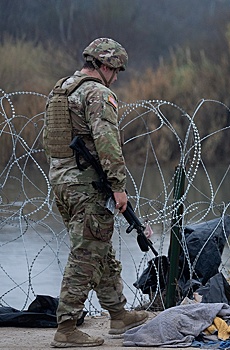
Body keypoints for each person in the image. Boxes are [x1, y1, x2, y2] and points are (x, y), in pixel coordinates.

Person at [43, 38, 148, 347]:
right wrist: (118, 187)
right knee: (87, 253)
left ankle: (118, 315)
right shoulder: (97, 93)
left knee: (98, 246)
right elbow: (107, 143)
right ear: (104, 66)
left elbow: (53, 140)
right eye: (115, 71)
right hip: (85, 184)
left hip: (62, 180)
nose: (116, 77)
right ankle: (66, 328)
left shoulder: (62, 89)